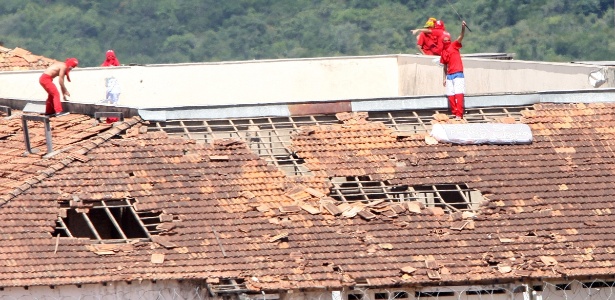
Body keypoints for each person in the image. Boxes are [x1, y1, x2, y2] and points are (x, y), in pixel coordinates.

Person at [440, 21, 467, 119]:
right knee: (450, 94)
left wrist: (463, 27)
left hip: (458, 73)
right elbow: (444, 66)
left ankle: (459, 114)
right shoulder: (443, 52)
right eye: (445, 39)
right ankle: (454, 112)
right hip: (449, 75)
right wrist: (444, 78)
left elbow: (461, 36)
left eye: (447, 39)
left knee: (458, 93)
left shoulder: (454, 45)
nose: (446, 40)